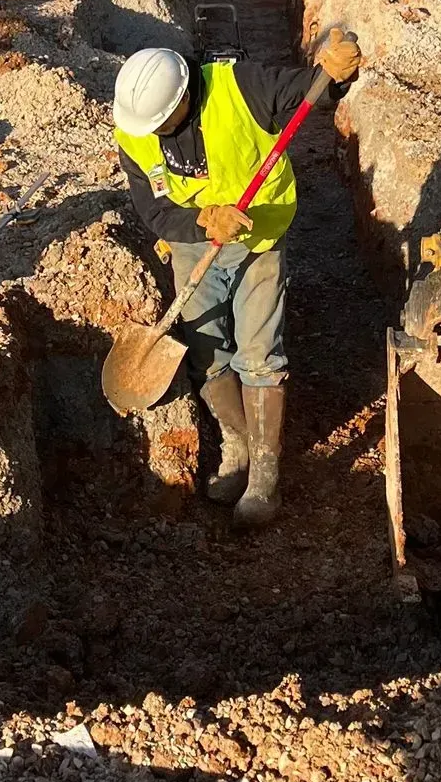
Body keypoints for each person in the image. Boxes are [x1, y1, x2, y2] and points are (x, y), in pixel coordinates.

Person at [112, 27, 361, 526]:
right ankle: (238, 445)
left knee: (258, 351)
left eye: (165, 124)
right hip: (192, 244)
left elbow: (301, 91)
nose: (156, 135)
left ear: (184, 95)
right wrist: (202, 220)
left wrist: (332, 76)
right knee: (206, 350)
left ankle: (265, 478)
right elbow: (154, 208)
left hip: (259, 239)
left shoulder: (237, 86)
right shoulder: (134, 132)